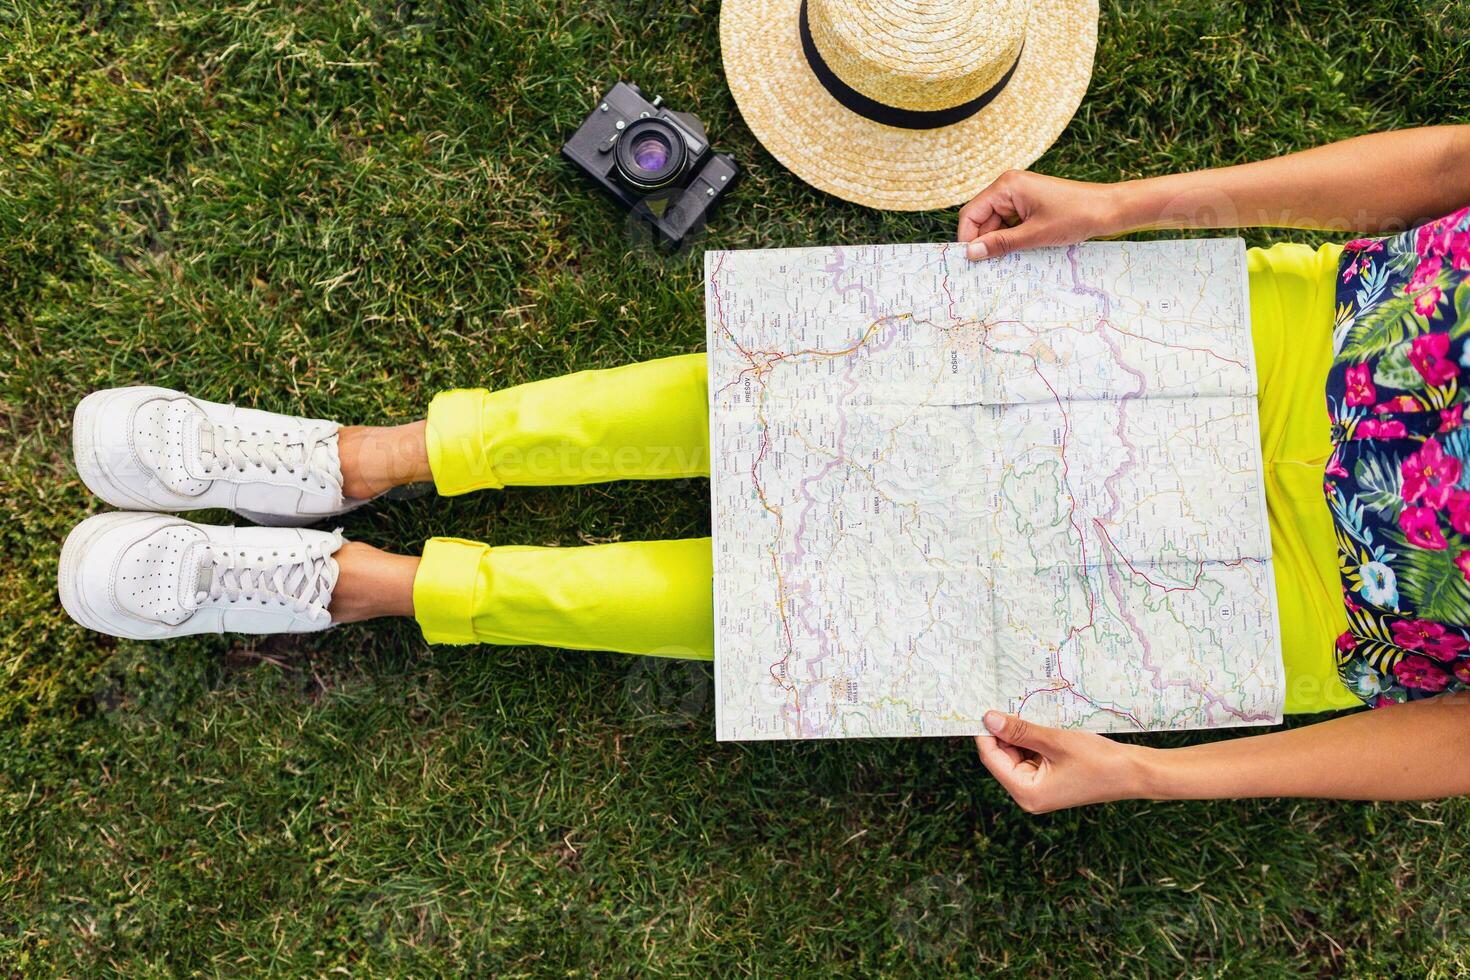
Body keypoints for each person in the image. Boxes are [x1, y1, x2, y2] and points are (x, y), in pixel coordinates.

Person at [58, 127, 1470, 810]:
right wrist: (1131, 206)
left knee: (835, 608)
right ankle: (371, 456)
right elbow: (1449, 166)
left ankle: (364, 581)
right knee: (806, 390)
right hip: (1279, 330)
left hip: (1326, 600)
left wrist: (1167, 781)